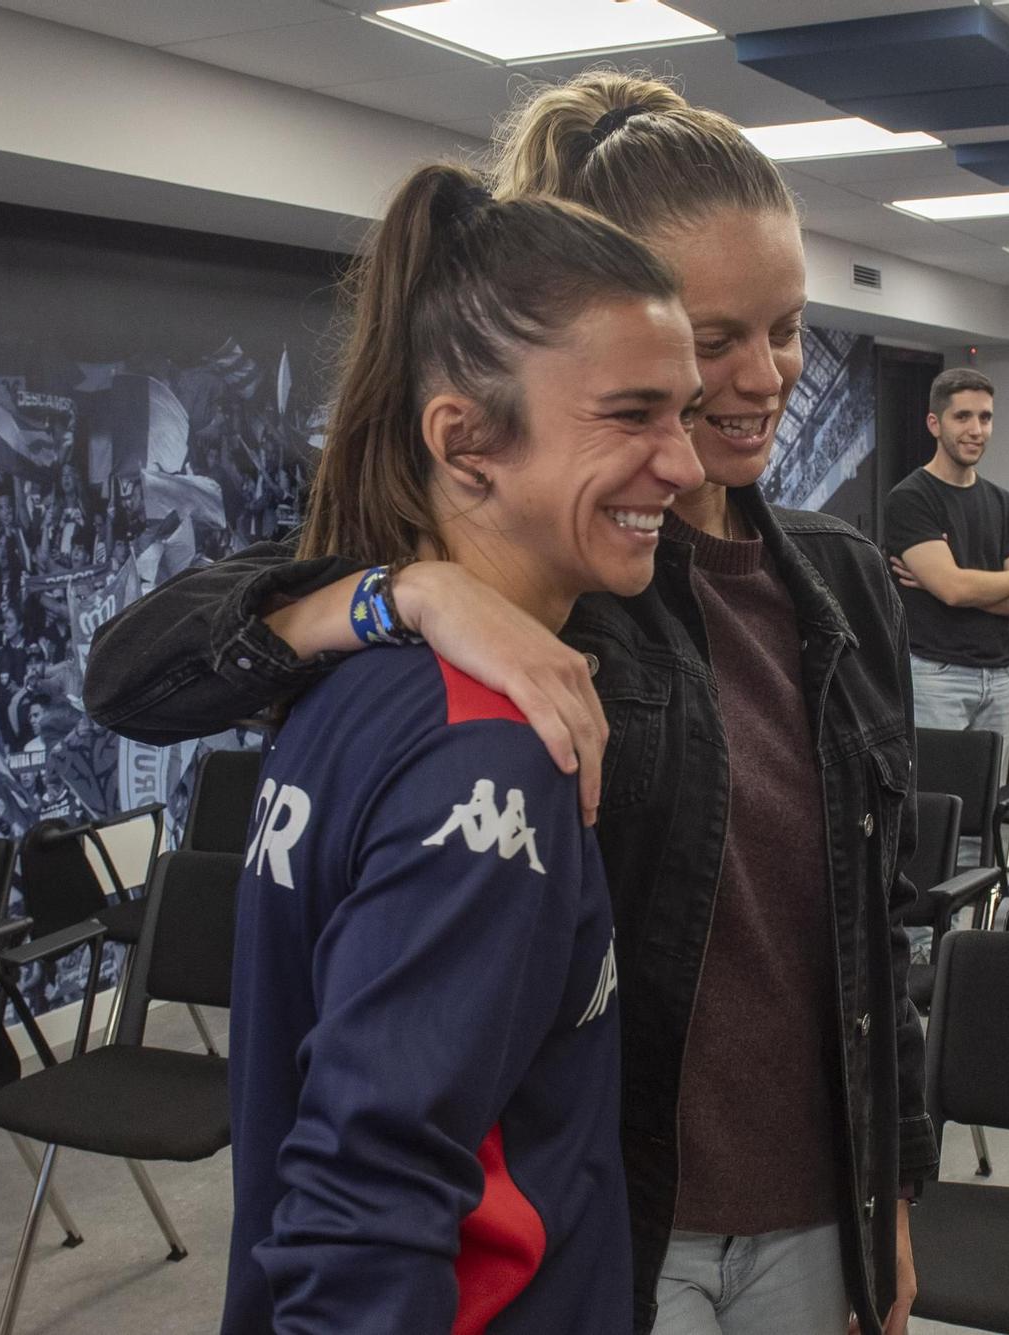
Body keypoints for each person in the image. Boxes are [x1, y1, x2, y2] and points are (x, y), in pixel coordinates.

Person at [91, 73, 931, 1335]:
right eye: (710, 341)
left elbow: (884, 925)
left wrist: (892, 1199)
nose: (766, 378)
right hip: (622, 1222)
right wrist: (403, 594)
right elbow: (133, 674)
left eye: (790, 325)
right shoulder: (555, 578)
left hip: (816, 1211)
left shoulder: (847, 587)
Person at [228, 161, 699, 1335]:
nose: (684, 464)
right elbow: (367, 1207)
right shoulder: (497, 750)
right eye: (632, 415)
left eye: (682, 415)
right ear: (466, 440)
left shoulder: (344, 675)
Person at [884, 367, 1009, 772]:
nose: (976, 429)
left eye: (985, 417)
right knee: (938, 802)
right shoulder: (910, 499)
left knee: (986, 808)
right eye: (963, 417)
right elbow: (954, 588)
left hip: (1000, 675)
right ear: (934, 423)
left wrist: (951, 584)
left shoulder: (1004, 503)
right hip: (937, 675)